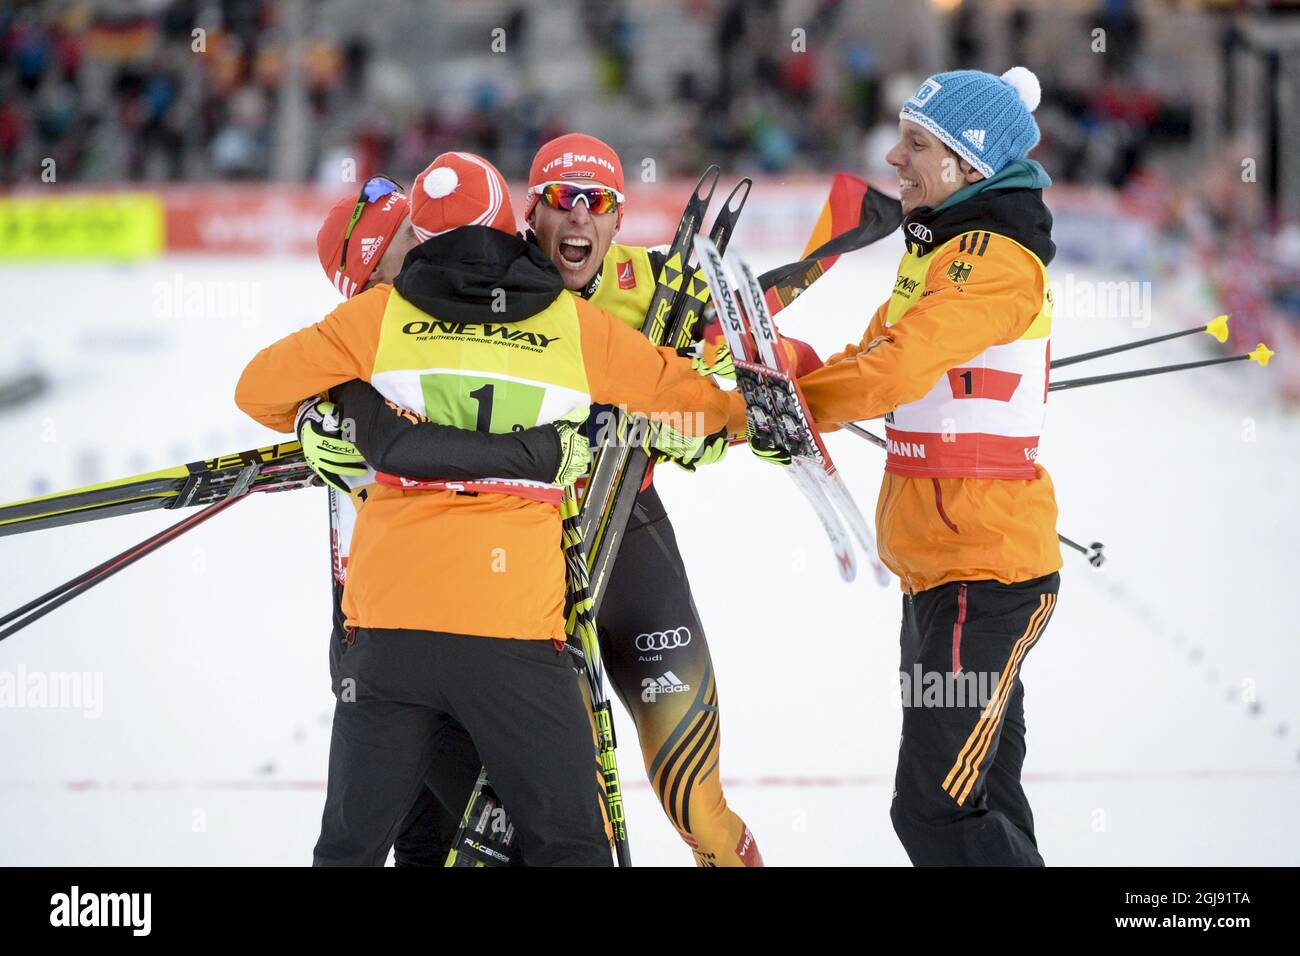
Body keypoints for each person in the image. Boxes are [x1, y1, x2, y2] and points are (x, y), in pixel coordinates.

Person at [235, 151, 737, 866]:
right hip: (515, 623)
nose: (577, 219)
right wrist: (741, 417)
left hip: (390, 629)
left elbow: (257, 389)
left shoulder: (373, 328)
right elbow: (691, 400)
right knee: (544, 843)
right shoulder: (558, 319)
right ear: (514, 217)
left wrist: (348, 416)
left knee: (364, 845)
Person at [795, 67, 1062, 866]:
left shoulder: (991, 257)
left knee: (935, 813)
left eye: (917, 144)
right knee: (985, 799)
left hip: (983, 576)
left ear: (969, 165)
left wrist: (789, 408)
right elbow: (872, 356)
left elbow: (894, 369)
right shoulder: (941, 252)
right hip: (943, 569)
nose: (893, 158)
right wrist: (781, 377)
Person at [305, 174, 595, 865]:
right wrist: (317, 416)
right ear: (374, 277)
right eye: (411, 239)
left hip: (476, 617)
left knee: (454, 831)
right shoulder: (374, 341)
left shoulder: (476, 298)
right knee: (446, 835)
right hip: (406, 626)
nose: (436, 241)